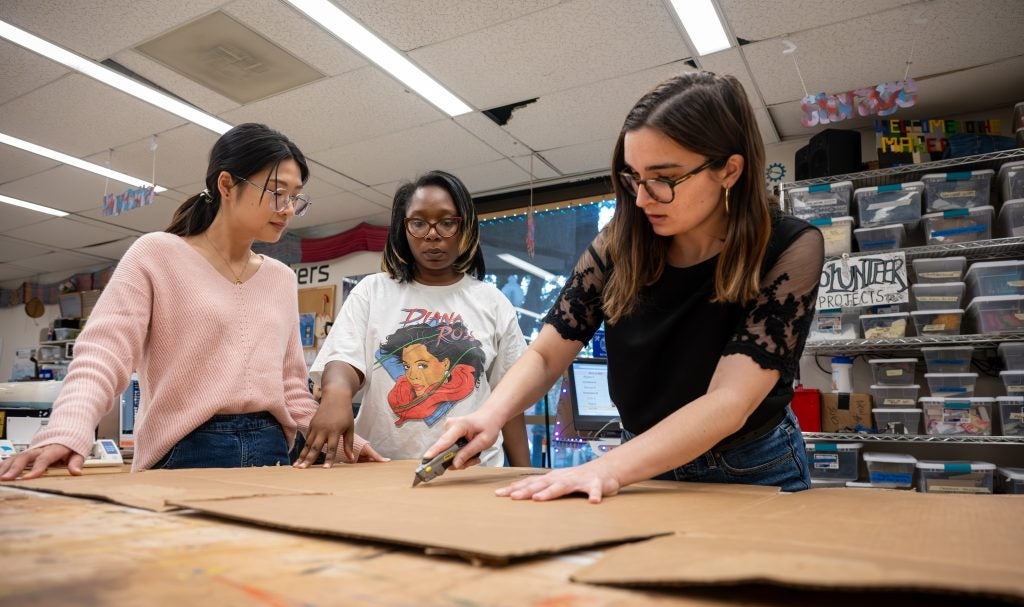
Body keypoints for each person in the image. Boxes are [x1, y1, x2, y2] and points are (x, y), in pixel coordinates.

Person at [422, 71, 824, 501]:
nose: (641, 199)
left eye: (663, 179)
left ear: (729, 170)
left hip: (751, 465)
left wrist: (607, 468)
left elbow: (729, 402)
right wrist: (489, 415)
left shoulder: (791, 247)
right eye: (633, 177)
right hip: (639, 461)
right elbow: (545, 355)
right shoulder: (621, 241)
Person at [0, 123, 381, 481]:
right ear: (227, 185)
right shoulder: (156, 255)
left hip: (271, 450)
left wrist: (348, 443)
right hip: (183, 448)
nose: (287, 209)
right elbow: (104, 353)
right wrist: (68, 429)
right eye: (277, 192)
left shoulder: (279, 277)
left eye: (296, 198)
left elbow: (291, 389)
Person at [297, 170, 530, 468]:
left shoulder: (493, 303)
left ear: (465, 227)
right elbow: (344, 358)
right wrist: (336, 394)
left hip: (470, 472)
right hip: (379, 468)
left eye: (447, 222)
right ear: (403, 229)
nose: (432, 234)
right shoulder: (372, 291)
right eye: (418, 223)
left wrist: (523, 472)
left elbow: (509, 401)